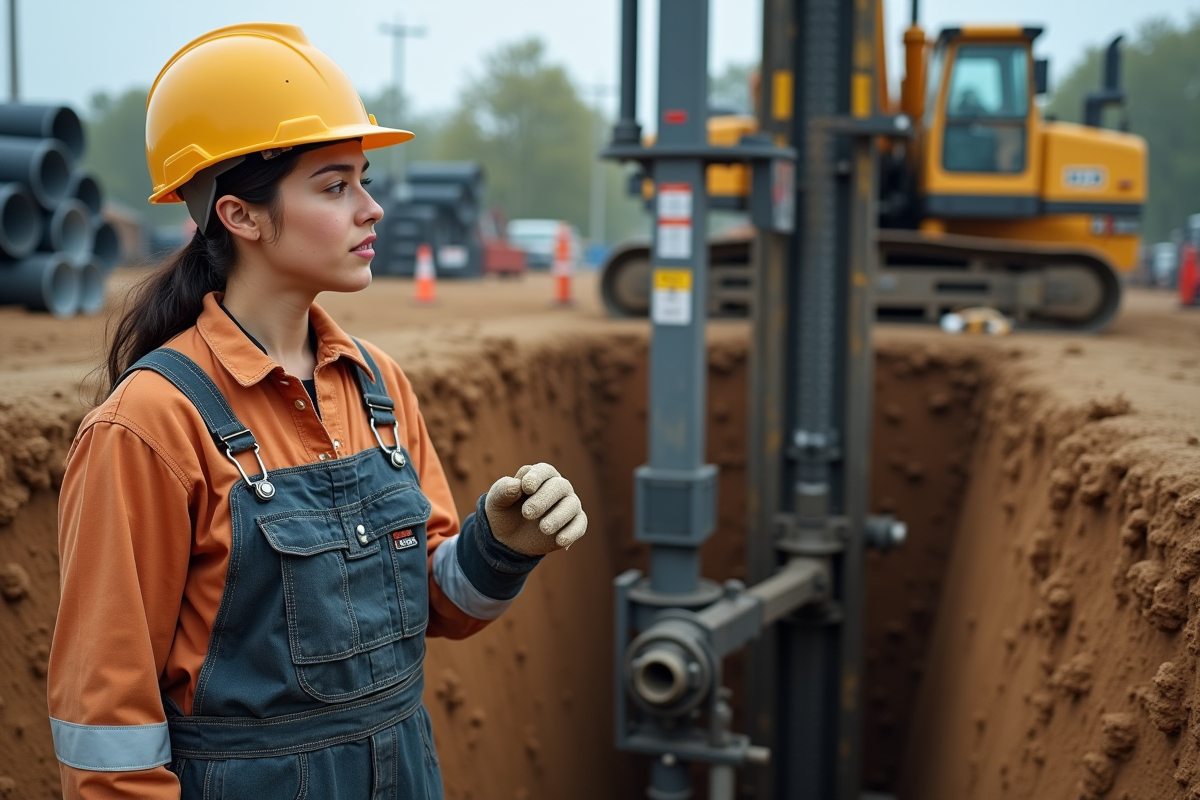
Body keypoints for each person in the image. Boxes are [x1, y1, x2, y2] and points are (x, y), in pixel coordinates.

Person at [46, 23, 587, 799]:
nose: (371, 208)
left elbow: (435, 606)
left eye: (363, 179)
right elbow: (108, 732)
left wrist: (499, 546)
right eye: (335, 186)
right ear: (241, 216)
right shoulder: (149, 426)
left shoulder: (379, 387)